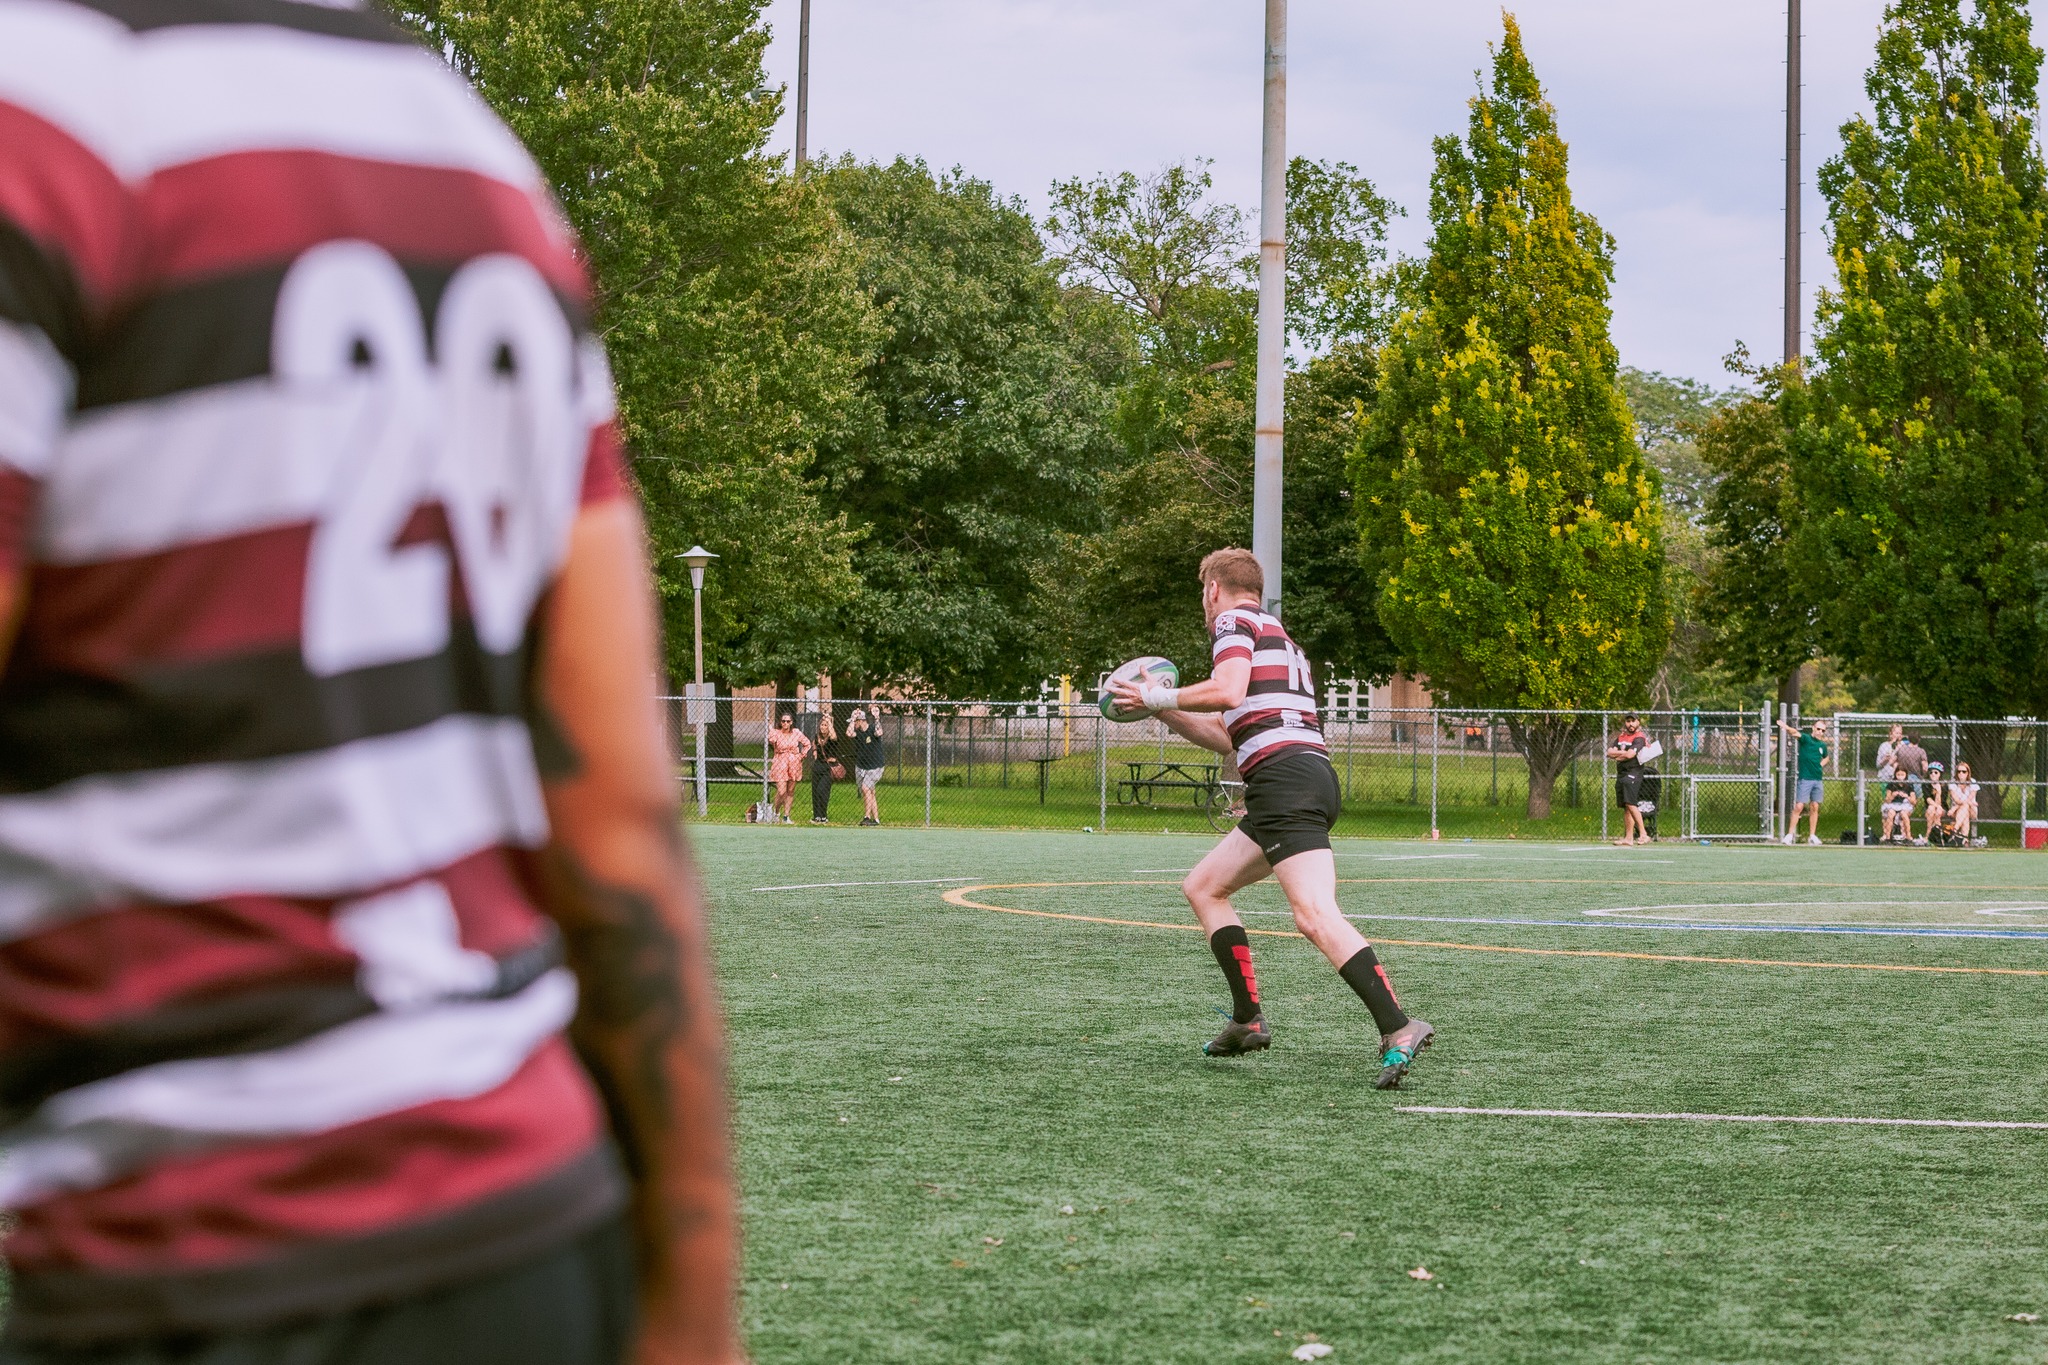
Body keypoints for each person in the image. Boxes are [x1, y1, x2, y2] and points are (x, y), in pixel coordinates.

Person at [0, 2, 741, 1362]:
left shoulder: (39, 111)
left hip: (186, 1248)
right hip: (535, 1227)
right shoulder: (473, 162)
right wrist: (691, 1303)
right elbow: (615, 816)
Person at [1107, 548, 1434, 1090]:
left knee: (1314, 914)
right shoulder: (1278, 637)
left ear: (1213, 589)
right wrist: (1164, 709)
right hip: (1294, 778)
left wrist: (1154, 692)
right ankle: (1247, 1020)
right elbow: (1226, 735)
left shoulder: (1232, 623)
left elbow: (1227, 690)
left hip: (1286, 783)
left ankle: (1398, 1026)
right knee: (1204, 887)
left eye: (1203, 594)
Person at [1779, 717, 1832, 846]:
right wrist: (1786, 727)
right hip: (1805, 778)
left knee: (1815, 806)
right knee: (1799, 806)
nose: (1820, 732)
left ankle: (1812, 836)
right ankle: (1789, 835)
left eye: (1823, 730)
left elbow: (1826, 758)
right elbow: (1795, 733)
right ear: (1813, 728)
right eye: (1818, 729)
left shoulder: (1822, 745)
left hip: (1817, 779)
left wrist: (1820, 765)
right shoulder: (1806, 739)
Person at [1606, 715, 1652, 846]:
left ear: (1638, 722)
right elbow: (1609, 752)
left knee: (1631, 804)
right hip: (1621, 774)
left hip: (1633, 773)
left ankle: (1643, 834)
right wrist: (1624, 754)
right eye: (1628, 721)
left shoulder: (1639, 738)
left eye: (1633, 721)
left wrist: (1620, 755)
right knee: (1626, 807)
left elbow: (1630, 754)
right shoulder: (1621, 737)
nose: (1630, 724)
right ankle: (1628, 838)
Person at [766, 713, 812, 823]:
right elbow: (771, 740)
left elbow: (807, 743)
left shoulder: (796, 732)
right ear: (780, 722)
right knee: (782, 791)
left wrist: (802, 755)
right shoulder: (777, 733)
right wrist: (770, 727)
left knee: (790, 790)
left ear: (791, 722)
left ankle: (786, 816)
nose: (785, 723)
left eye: (788, 721)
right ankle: (776, 812)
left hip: (794, 762)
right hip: (780, 762)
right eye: (783, 721)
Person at [849, 707, 888, 826]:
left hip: (875, 766)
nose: (854, 725)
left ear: (860, 721)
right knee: (870, 792)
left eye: (855, 722)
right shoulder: (858, 733)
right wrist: (852, 719)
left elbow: (879, 732)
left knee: (865, 788)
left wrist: (877, 718)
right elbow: (849, 733)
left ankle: (867, 817)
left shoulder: (872, 729)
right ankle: (876, 819)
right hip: (862, 766)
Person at [808, 712, 848, 824]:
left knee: (822, 790)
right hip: (818, 765)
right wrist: (814, 752)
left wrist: (829, 721)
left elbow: (833, 736)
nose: (823, 727)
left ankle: (823, 816)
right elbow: (814, 743)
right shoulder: (817, 737)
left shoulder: (832, 738)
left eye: (825, 725)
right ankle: (817, 816)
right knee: (815, 792)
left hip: (828, 767)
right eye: (822, 725)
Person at [1879, 766, 1916, 844]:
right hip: (1892, 804)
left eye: (1902, 775)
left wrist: (1906, 796)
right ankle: (1887, 837)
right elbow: (1887, 800)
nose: (1900, 777)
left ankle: (1908, 836)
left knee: (1903, 814)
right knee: (1891, 813)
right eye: (1898, 775)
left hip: (1905, 805)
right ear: (1895, 775)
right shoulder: (1891, 784)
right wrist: (1893, 795)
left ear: (1906, 775)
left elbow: (1914, 801)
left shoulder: (1909, 785)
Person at [1917, 761, 1948, 845]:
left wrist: (1938, 792)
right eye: (1931, 772)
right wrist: (1936, 806)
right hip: (1930, 808)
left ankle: (1933, 836)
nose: (1933, 774)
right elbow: (1928, 799)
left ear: (1940, 774)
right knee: (1931, 809)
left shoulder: (1944, 786)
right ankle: (1930, 836)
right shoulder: (1926, 784)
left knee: (1937, 811)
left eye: (1936, 772)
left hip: (1942, 808)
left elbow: (1941, 803)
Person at [1949, 762, 1981, 842]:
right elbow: (1956, 800)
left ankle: (1955, 829)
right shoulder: (1953, 783)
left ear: (1968, 773)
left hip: (1972, 810)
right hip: (1958, 812)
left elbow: (1970, 799)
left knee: (1965, 807)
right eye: (1959, 771)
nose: (1961, 773)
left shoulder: (1972, 781)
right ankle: (1964, 839)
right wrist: (1960, 805)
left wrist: (1955, 807)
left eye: (1964, 771)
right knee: (1965, 811)